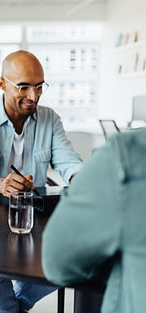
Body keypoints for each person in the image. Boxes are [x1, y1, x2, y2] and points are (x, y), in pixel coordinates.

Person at [0, 50, 83, 313]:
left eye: (39, 87)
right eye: (23, 87)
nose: (33, 96)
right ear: (2, 84)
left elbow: (68, 162)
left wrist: (84, 179)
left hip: (30, 213)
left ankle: (13, 306)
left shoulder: (50, 119)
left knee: (79, 251)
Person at [42, 129, 146, 313]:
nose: (33, 98)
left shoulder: (124, 157)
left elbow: (57, 264)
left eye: (39, 96)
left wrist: (83, 182)